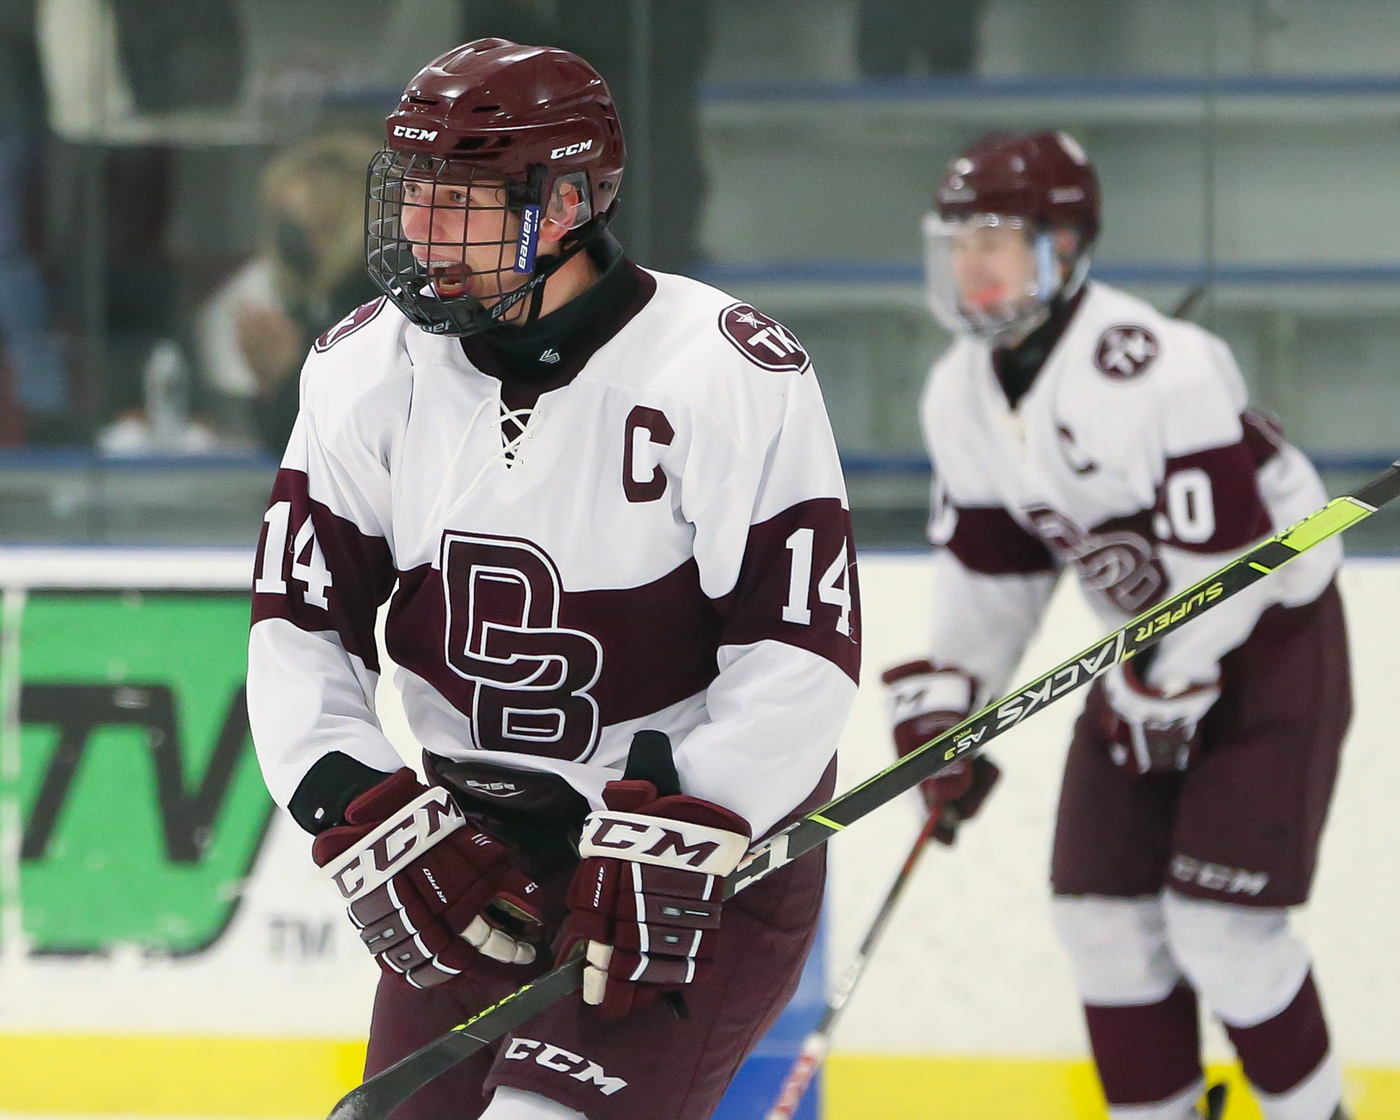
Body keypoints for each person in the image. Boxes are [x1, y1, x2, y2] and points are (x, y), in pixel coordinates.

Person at [246, 39, 859, 1120]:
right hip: (478, 857)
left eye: (464, 199)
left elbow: (797, 648)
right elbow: (298, 622)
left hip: (690, 859)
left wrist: (690, 819)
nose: (422, 230)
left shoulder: (718, 370)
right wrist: (362, 799)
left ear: (568, 199)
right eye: (413, 193)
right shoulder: (360, 371)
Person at [884, 131, 1350, 1120]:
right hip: (1145, 657)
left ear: (1064, 245)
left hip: (1269, 642)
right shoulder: (956, 395)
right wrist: (951, 704)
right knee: (1096, 919)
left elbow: (1233, 564)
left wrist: (1161, 680)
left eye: (997, 240)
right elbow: (992, 570)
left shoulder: (1157, 366)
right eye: (957, 240)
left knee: (1221, 932)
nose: (971, 264)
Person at [197, 133, 382, 454]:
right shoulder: (311, 308)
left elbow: (337, 445)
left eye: (309, 224)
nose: (294, 242)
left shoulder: (374, 311)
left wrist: (284, 378)